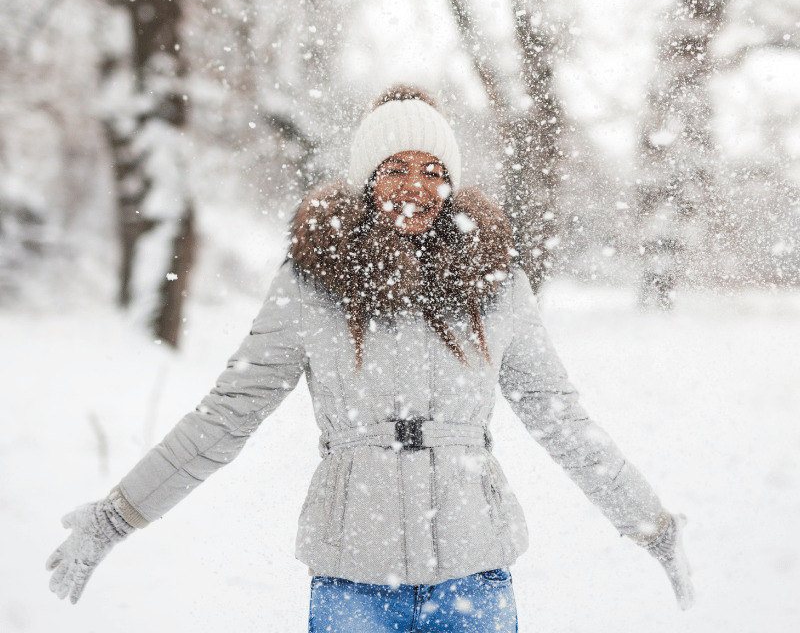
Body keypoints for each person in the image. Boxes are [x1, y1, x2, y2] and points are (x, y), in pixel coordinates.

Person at [47, 86, 694, 630]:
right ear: (366, 179)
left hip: (475, 574)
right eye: (396, 167)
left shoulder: (495, 284)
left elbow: (562, 419)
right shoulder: (310, 283)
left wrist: (651, 522)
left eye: (433, 170)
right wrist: (115, 517)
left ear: (451, 183)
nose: (416, 186)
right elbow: (224, 417)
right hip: (354, 578)